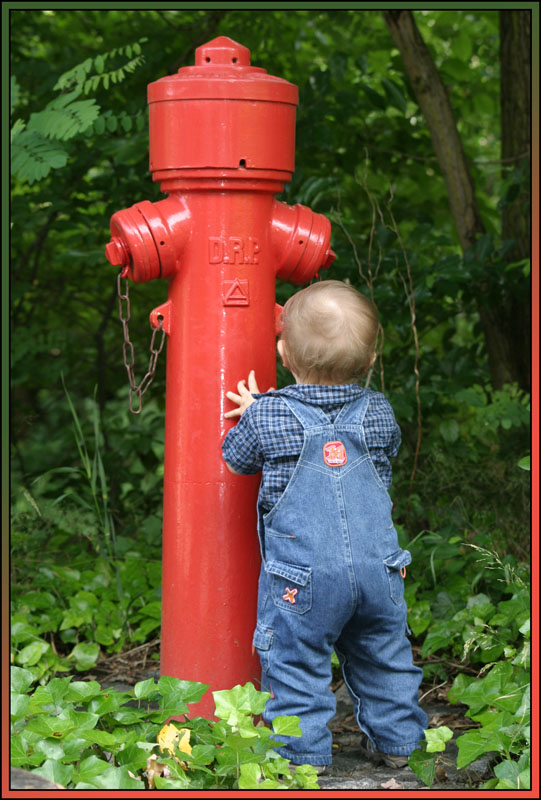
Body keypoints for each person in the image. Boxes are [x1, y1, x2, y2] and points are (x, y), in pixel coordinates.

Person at [221, 280, 427, 770]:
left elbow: (237, 458)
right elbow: (388, 449)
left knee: (295, 664)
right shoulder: (377, 409)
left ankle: (301, 758)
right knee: (385, 657)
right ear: (371, 359)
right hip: (380, 572)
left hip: (303, 580)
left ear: (283, 352)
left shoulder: (270, 414)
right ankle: (401, 746)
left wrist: (254, 412)